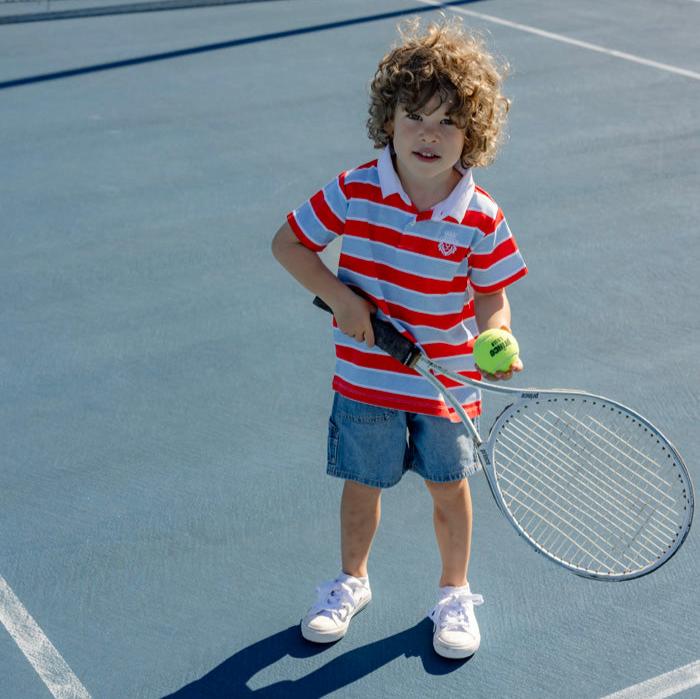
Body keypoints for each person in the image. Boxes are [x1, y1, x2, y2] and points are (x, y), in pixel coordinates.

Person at [271, 16, 527, 660]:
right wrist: (341, 296)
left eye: (447, 121)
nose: (428, 134)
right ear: (389, 121)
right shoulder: (357, 188)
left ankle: (453, 593)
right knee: (363, 484)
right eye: (414, 116)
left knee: (449, 489)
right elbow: (290, 243)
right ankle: (349, 582)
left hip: (446, 383)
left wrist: (498, 331)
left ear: (473, 133)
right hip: (367, 375)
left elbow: (493, 292)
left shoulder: (481, 215)